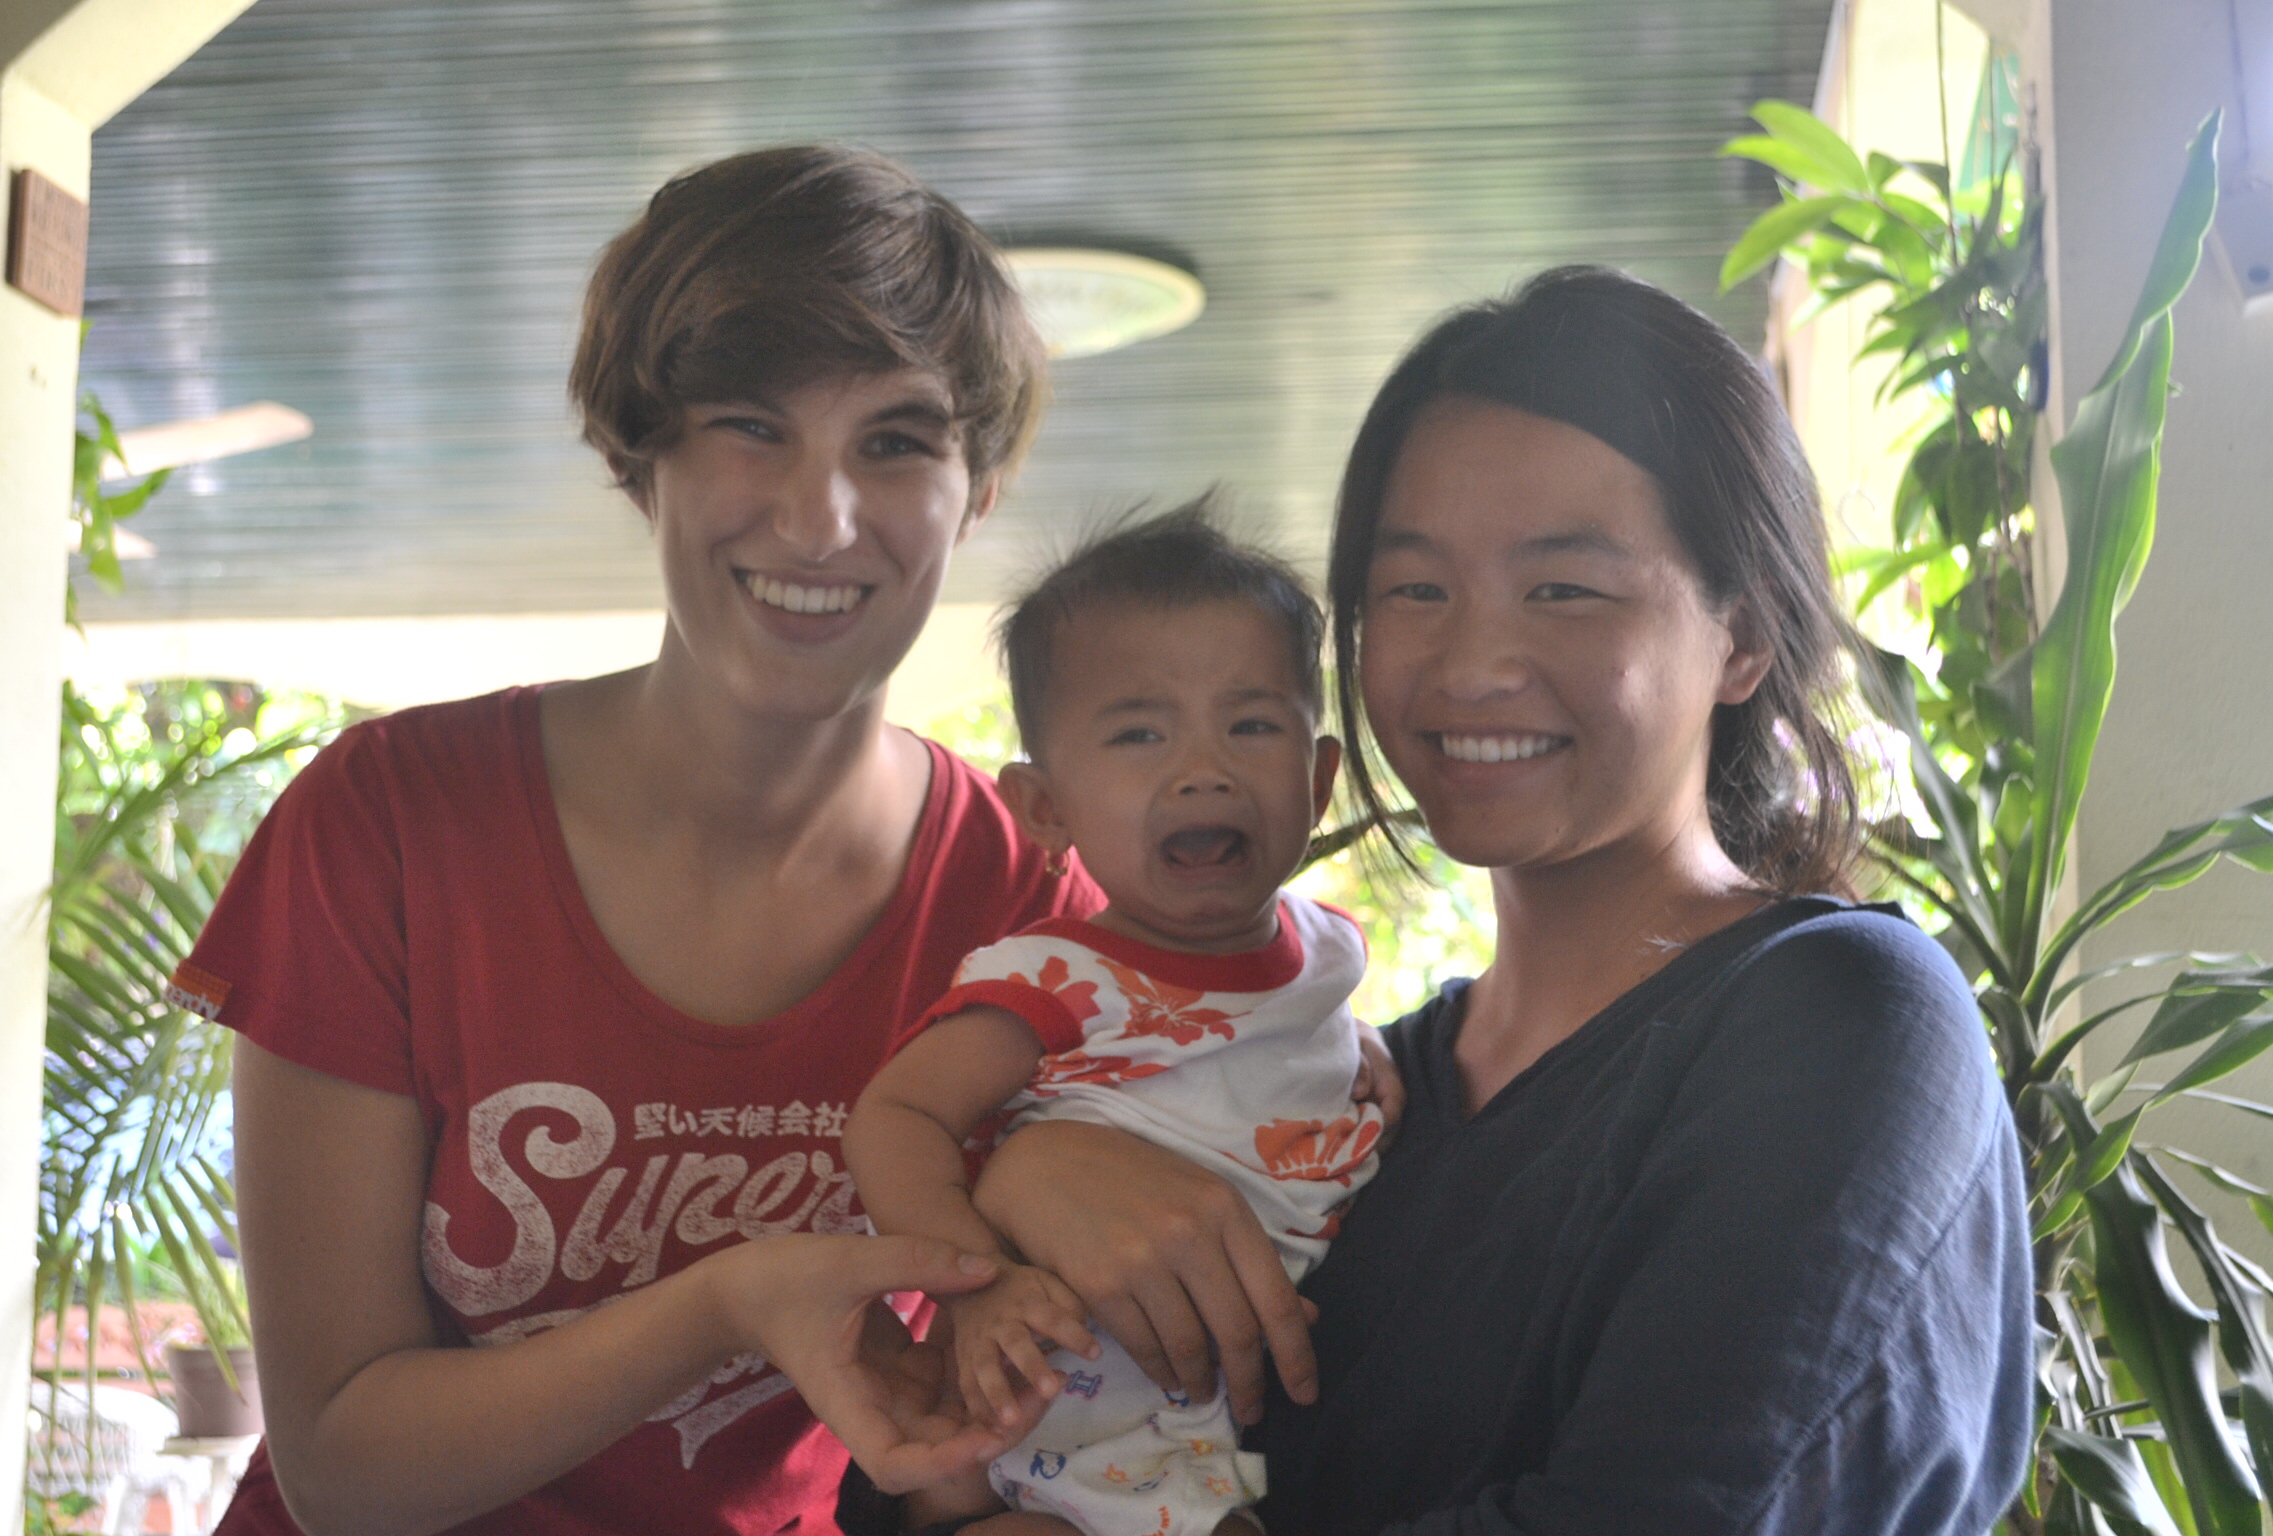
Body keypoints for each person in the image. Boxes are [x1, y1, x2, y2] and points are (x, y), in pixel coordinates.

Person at [920, 266, 2037, 1535]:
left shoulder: (1844, 1021)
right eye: (1414, 591)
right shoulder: (1358, 1091)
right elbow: (948, 1463)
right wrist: (1014, 1175)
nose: (1471, 663)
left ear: (1742, 637)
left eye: (1563, 588)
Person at [170, 143, 1112, 1536]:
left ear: (975, 491)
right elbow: (341, 1470)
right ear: (637, 455)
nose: (820, 519)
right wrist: (724, 1304)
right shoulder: (389, 825)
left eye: (898, 441)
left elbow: (1010, 1423)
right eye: (751, 426)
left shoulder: (1030, 902)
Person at [843, 503, 1384, 1536]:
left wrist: (1364, 1046)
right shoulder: (1054, 977)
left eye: (1252, 724)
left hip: (1223, 1408)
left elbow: (1263, 1051)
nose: (1203, 766)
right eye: (1140, 732)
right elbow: (894, 1118)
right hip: (1067, 1384)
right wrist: (974, 1285)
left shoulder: (1328, 956)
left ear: (1318, 781)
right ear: (1045, 809)